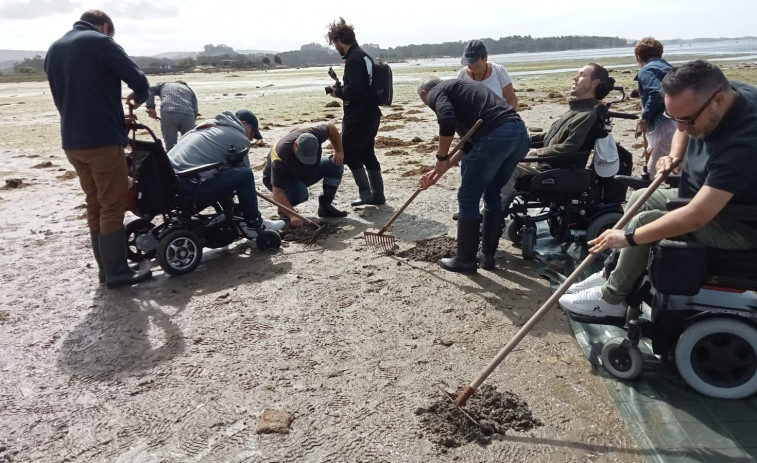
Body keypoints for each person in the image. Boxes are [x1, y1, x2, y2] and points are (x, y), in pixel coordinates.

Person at [560, 60, 757, 324]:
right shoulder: (722, 92)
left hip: (739, 225)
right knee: (641, 198)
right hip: (705, 198)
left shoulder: (745, 142)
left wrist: (628, 238)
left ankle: (611, 300)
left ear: (718, 100)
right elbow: (682, 127)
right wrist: (675, 155)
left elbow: (698, 215)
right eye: (675, 119)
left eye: (687, 120)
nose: (682, 128)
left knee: (644, 222)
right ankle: (615, 272)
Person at [45, 9, 152, 288]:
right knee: (113, 205)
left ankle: (105, 271)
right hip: (102, 141)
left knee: (94, 203)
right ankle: (118, 273)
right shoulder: (100, 42)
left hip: (72, 141)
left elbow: (67, 99)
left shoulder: (54, 48)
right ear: (105, 27)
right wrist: (139, 97)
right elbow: (138, 79)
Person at [417, 77, 530, 274]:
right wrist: (441, 169)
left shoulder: (437, 91)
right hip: (519, 134)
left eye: (426, 103)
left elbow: (446, 120)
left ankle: (465, 260)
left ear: (425, 94)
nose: (429, 105)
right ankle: (486, 256)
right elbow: (469, 144)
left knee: (468, 196)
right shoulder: (464, 93)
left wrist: (441, 156)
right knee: (493, 192)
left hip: (497, 135)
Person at [500, 63, 616, 212]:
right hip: (547, 168)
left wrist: (537, 152)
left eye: (581, 75)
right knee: (499, 161)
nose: (574, 78)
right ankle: (490, 211)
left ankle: (494, 214)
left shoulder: (588, 115)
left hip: (558, 172)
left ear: (595, 83)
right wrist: (521, 140)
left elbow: (572, 147)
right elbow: (548, 137)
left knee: (506, 169)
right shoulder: (576, 110)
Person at [168, 110, 284, 239]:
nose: (251, 139)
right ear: (243, 123)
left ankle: (239, 215)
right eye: (252, 133)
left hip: (169, 180)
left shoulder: (208, 126)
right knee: (245, 176)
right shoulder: (238, 137)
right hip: (189, 184)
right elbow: (245, 173)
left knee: (225, 174)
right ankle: (254, 223)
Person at [325, 17, 385, 207]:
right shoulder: (364, 56)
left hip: (358, 115)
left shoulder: (353, 59)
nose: (335, 47)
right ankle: (378, 195)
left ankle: (366, 194)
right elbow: (363, 86)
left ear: (339, 40)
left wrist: (337, 92)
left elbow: (354, 91)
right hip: (371, 113)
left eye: (335, 43)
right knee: (367, 153)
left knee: (349, 152)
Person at [262, 122, 347, 227]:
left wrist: (339, 151)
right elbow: (278, 192)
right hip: (282, 180)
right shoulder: (280, 157)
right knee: (301, 193)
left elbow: (331, 127)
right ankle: (284, 211)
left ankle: (325, 206)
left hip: (306, 172)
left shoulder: (316, 134)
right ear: (295, 145)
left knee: (335, 163)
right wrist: (293, 215)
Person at [635, 37, 677, 177]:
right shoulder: (669, 68)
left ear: (638, 56)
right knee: (678, 168)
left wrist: (645, 118)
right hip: (681, 122)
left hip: (665, 125)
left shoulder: (645, 71)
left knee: (652, 174)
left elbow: (657, 92)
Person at [457, 39, 518, 110]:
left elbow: (511, 99)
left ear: (485, 57)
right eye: (469, 63)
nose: (472, 66)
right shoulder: (462, 76)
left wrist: (509, 116)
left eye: (475, 63)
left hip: (499, 116)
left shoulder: (499, 71)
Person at [146, 80, 199, 151]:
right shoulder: (189, 90)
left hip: (169, 112)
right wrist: (192, 122)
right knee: (189, 146)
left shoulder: (164, 84)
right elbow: (195, 109)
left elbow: (149, 89)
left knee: (170, 147)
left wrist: (151, 107)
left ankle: (170, 161)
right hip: (188, 114)